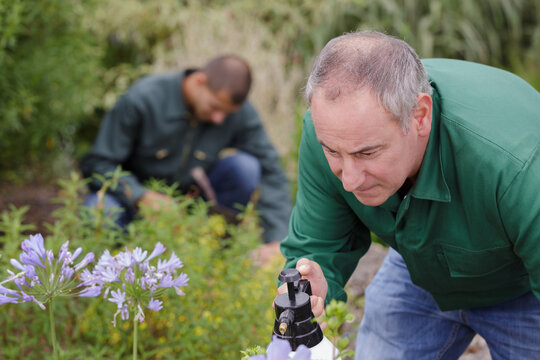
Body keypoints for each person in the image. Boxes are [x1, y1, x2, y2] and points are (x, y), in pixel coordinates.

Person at [278, 30, 540, 359]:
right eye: (333, 152)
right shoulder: (332, 132)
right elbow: (318, 246)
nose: (350, 180)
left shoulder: (517, 167)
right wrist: (314, 288)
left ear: (420, 116)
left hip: (521, 286)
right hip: (419, 268)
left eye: (367, 153)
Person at [80, 55, 292, 252]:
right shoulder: (144, 98)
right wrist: (141, 196)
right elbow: (98, 163)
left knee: (245, 168)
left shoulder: (238, 113)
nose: (220, 119)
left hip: (190, 208)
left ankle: (211, 252)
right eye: (215, 107)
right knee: (98, 210)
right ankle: (112, 272)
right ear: (199, 81)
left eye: (227, 113)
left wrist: (278, 240)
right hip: (133, 204)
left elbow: (270, 169)